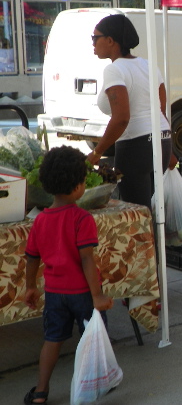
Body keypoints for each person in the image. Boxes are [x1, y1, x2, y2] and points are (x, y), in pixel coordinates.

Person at [23, 146, 114, 405]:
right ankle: (93, 385)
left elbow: (31, 257)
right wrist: (97, 296)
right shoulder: (82, 219)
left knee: (52, 340)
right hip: (83, 294)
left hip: (54, 293)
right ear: (77, 187)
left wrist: (30, 287)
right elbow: (87, 259)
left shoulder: (39, 220)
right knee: (94, 337)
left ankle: (40, 391)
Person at [87, 14, 177, 211]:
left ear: (110, 41)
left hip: (135, 147)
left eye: (95, 38)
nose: (92, 43)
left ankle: (150, 243)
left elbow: (122, 118)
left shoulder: (115, 70)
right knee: (153, 210)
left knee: (138, 214)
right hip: (162, 141)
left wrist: (97, 152)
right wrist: (170, 148)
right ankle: (159, 243)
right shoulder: (149, 65)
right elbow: (161, 109)